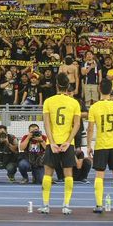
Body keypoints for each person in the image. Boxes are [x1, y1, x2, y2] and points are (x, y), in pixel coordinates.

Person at [39, 73, 81, 215]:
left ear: (56, 85)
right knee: (68, 174)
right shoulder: (74, 103)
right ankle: (66, 205)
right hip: (67, 144)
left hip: (53, 143)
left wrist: (51, 142)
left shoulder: (48, 101)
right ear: (68, 86)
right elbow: (77, 125)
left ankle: (45, 205)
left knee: (47, 174)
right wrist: (68, 142)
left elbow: (46, 124)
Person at [86, 79, 113, 213]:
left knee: (99, 175)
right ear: (111, 90)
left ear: (99, 89)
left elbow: (90, 129)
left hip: (101, 145)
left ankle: (99, 205)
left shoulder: (94, 107)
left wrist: (88, 145)